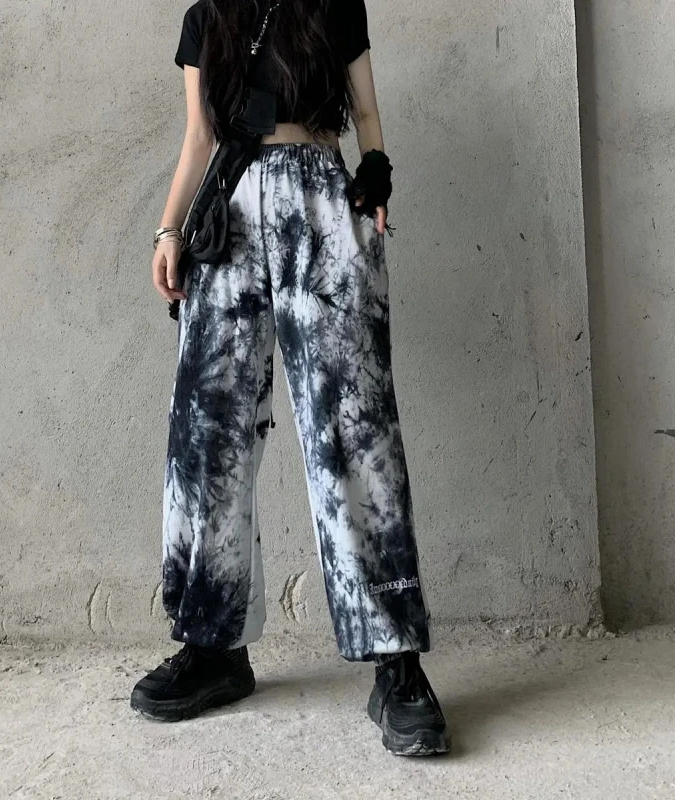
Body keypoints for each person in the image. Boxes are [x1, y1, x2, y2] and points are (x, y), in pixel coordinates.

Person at [131, 0, 450, 757]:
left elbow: (365, 112)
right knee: (208, 434)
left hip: (321, 205)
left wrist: (375, 171)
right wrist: (169, 229)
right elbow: (199, 137)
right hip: (229, 215)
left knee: (355, 430)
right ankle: (213, 646)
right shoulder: (206, 17)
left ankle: (395, 661)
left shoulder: (334, 4)